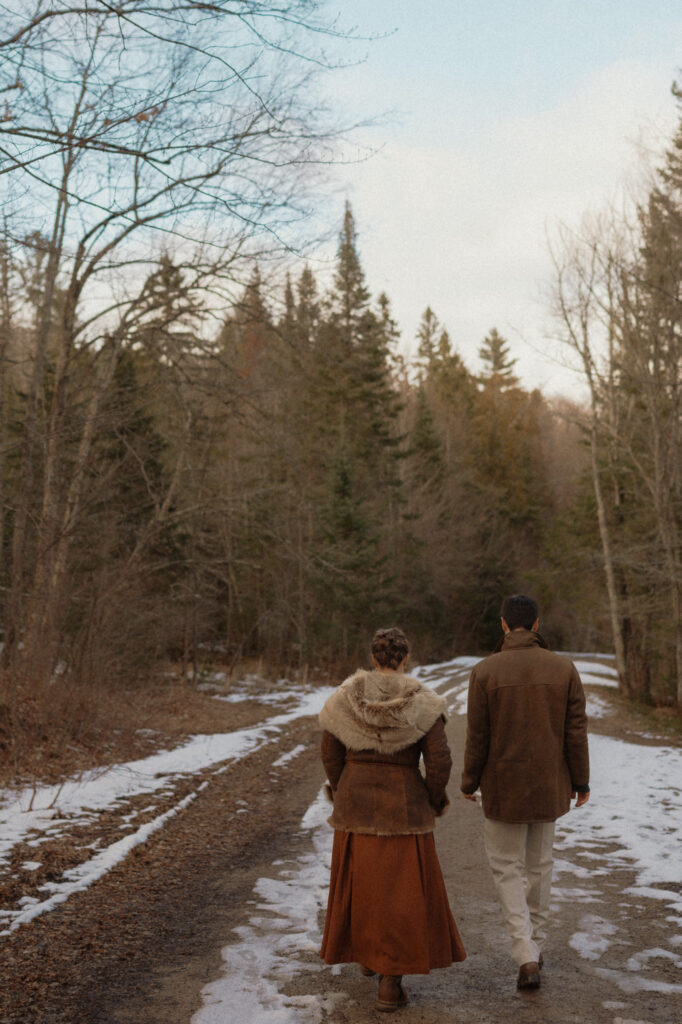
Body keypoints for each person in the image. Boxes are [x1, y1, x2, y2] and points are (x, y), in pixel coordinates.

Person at [319, 626, 466, 1013]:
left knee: (363, 887)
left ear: (373, 658)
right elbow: (439, 761)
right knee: (400, 896)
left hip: (355, 807)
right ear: (405, 658)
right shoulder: (424, 702)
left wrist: (343, 787)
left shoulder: (343, 698)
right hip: (404, 809)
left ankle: (369, 957)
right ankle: (390, 983)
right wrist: (430, 798)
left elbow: (330, 754)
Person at [460, 594, 590, 991]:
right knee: (539, 867)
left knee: (507, 868)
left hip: (503, 787)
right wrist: (581, 782)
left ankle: (525, 952)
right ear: (536, 625)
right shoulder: (563, 668)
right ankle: (536, 947)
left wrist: (469, 781)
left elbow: (477, 735)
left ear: (503, 625)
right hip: (549, 787)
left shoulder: (484, 671)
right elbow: (575, 731)